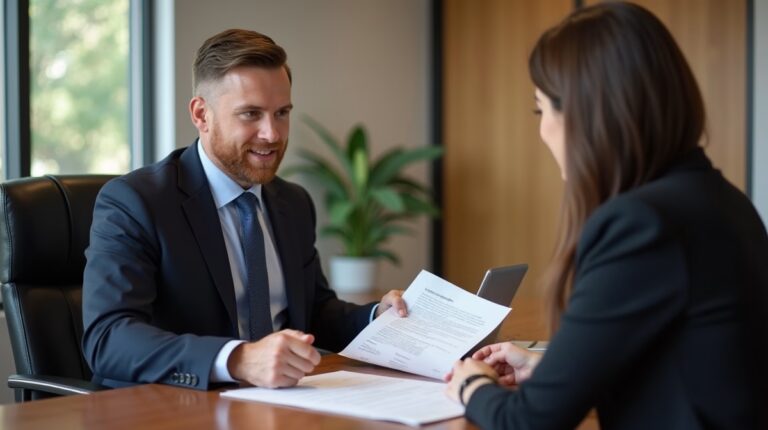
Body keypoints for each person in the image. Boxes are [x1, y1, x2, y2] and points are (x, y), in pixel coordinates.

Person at [446, 2, 768, 429]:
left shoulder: (642, 225)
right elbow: (678, 362)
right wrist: (550, 372)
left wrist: (471, 385)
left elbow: (529, 422)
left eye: (541, 109)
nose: (541, 130)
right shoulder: (721, 199)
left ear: (585, 113)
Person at [82, 29, 406, 390]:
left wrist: (378, 318)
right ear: (202, 115)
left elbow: (315, 312)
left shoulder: (292, 203)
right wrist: (238, 360)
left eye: (281, 113)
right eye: (251, 114)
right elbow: (108, 339)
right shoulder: (136, 202)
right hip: (180, 407)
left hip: (285, 404)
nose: (272, 134)